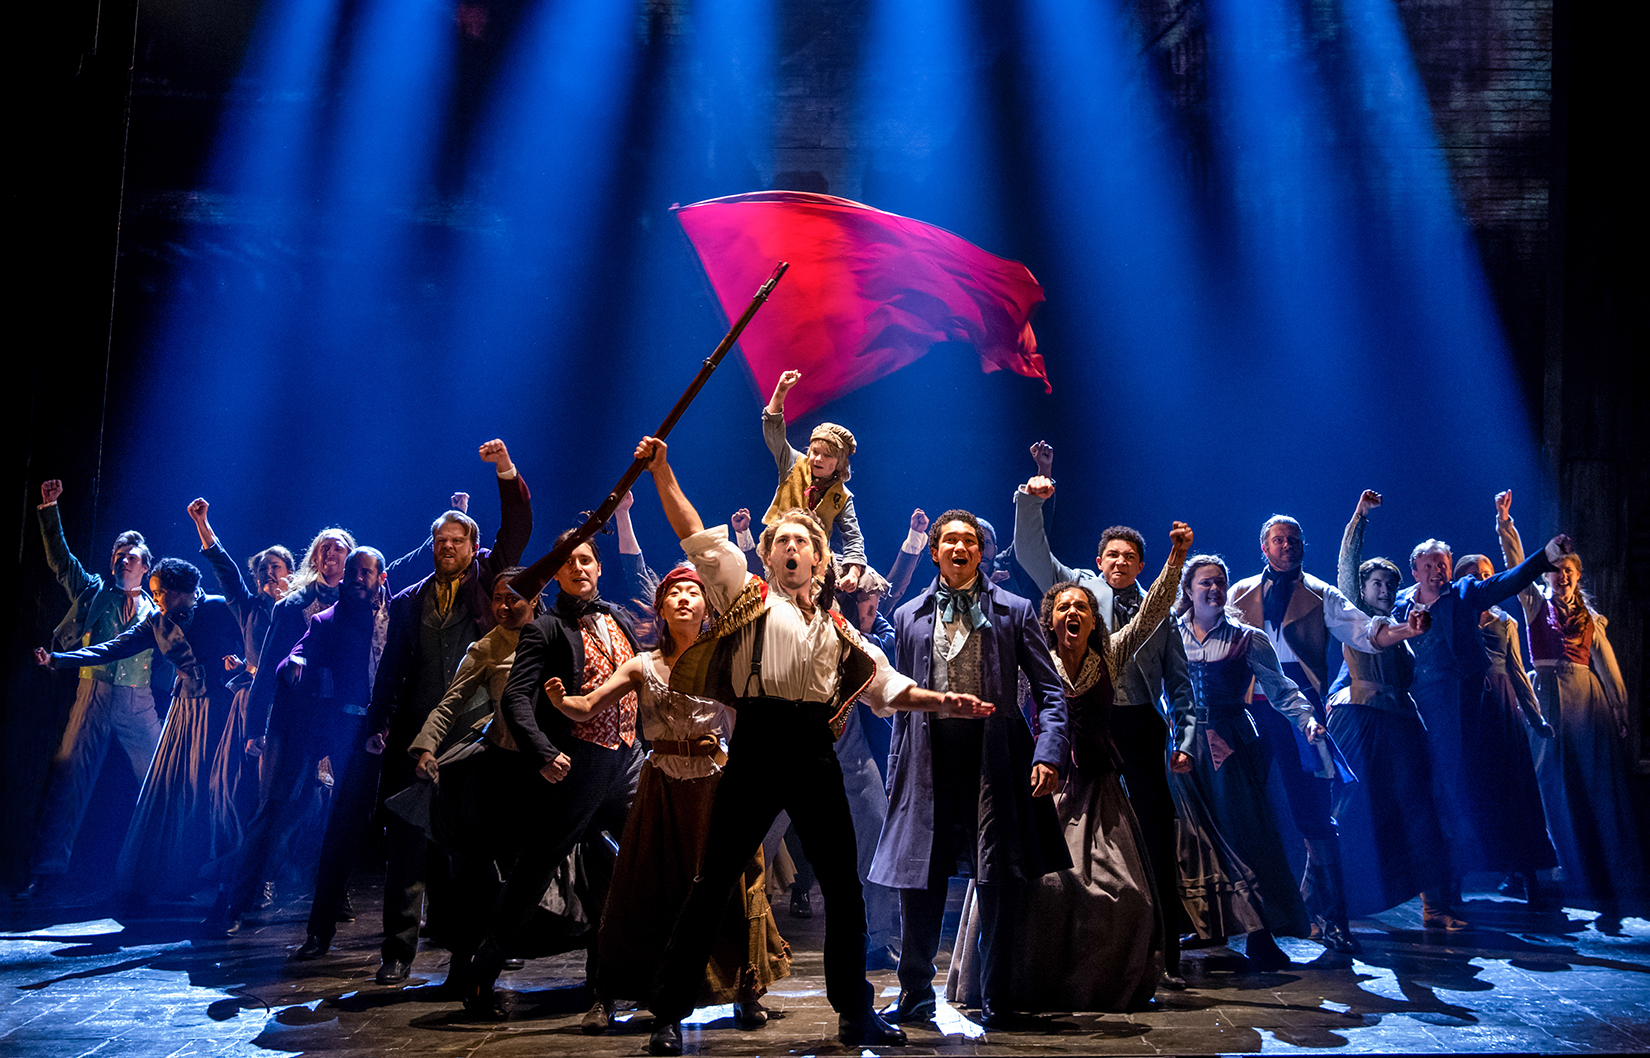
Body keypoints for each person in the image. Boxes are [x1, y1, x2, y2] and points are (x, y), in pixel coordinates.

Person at [639, 435, 991, 1055]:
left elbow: (888, 684)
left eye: (802, 541)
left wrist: (946, 701)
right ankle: (668, 1009)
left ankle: (854, 1012)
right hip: (757, 743)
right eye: (781, 541)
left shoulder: (835, 624)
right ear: (769, 555)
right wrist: (664, 472)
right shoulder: (745, 594)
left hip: (812, 750)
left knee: (843, 885)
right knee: (714, 877)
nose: (791, 547)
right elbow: (694, 533)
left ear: (822, 559)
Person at [952, 520, 1191, 1013]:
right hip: (1047, 788)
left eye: (1082, 606)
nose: (1073, 612)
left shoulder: (1111, 655)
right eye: (1064, 607)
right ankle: (1026, 981)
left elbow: (1150, 614)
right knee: (1041, 889)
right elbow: (1012, 715)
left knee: (1122, 893)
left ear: (1093, 618)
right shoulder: (1033, 665)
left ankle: (1098, 983)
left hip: (1101, 790)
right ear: (1050, 618)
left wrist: (1175, 560)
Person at [546, 566, 791, 1032]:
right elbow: (588, 705)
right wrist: (562, 702)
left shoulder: (725, 661)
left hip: (716, 784)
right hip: (663, 786)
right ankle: (611, 991)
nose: (683, 598)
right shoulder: (642, 665)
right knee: (648, 889)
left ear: (706, 607)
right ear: (660, 609)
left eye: (692, 592)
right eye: (673, 592)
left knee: (731, 887)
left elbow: (754, 722)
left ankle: (745, 987)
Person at [874, 509, 1070, 1029]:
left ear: (980, 552)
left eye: (970, 541)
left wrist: (1048, 752)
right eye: (950, 542)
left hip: (995, 760)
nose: (960, 549)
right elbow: (900, 704)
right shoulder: (911, 616)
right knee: (920, 878)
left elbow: (1051, 693)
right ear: (935, 551)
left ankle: (996, 996)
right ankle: (915, 991)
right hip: (927, 757)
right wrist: (897, 773)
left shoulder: (1015, 610)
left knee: (997, 878)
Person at [1012, 464, 1196, 983]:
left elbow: (1170, 654)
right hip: (1061, 746)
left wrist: (1177, 557)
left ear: (1140, 565)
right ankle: (1045, 955)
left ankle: (1156, 956)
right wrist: (1032, 499)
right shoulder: (1070, 598)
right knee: (1050, 857)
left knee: (1146, 846)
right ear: (1096, 564)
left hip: (1129, 735)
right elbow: (1031, 553)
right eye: (1111, 555)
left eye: (1129, 557)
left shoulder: (1129, 634)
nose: (1119, 562)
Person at [368, 438, 532, 985]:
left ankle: (486, 943)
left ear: (473, 546)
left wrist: (505, 472)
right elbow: (391, 672)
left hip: (478, 732)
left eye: (457, 540)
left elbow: (517, 528)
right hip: (419, 734)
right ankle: (396, 953)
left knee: (480, 848)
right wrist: (378, 724)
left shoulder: (490, 582)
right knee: (408, 847)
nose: (447, 547)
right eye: (441, 540)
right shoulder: (408, 600)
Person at [462, 528, 640, 1022]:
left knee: (630, 867)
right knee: (535, 870)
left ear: (598, 568)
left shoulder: (619, 618)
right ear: (556, 573)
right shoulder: (546, 629)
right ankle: (481, 974)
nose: (579, 568)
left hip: (625, 762)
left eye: (586, 560)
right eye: (568, 562)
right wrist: (542, 751)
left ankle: (604, 979)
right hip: (577, 765)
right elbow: (516, 697)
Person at [1226, 514, 1399, 954]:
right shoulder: (1239, 593)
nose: (1286, 547)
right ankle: (1248, 920)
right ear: (1263, 547)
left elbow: (1363, 631)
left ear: (1303, 547)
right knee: (1244, 810)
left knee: (1315, 812)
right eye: (1278, 540)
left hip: (1303, 713)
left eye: (1293, 540)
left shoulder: (1322, 593)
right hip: (1248, 709)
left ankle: (1334, 917)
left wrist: (1402, 630)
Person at [38, 555, 245, 904]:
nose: (157, 598)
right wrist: (59, 659)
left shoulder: (218, 608)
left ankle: (228, 876)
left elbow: (254, 639)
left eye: (160, 591)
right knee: (176, 791)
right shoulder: (156, 622)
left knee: (217, 789)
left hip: (222, 710)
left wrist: (243, 668)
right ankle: (175, 875)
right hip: (185, 710)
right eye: (155, 592)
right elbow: (112, 648)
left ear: (180, 590)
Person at [213, 547, 390, 945]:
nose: (345, 567)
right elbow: (288, 655)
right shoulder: (308, 610)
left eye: (348, 557)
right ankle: (235, 902)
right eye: (329, 552)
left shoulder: (384, 617)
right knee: (277, 808)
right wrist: (256, 722)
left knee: (344, 816)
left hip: (354, 726)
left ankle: (330, 898)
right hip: (301, 723)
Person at [1394, 523, 1571, 907]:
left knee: (1464, 790)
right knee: (1428, 793)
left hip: (1461, 708)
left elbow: (1506, 582)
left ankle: (1471, 882)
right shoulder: (1401, 604)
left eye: (1442, 564)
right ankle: (1435, 887)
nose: (1436, 571)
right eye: (1428, 566)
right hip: (1419, 707)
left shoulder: (1465, 592)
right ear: (1415, 571)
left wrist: (1544, 558)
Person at [1169, 555, 1319, 971]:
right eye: (1205, 583)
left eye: (1220, 582)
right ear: (1188, 589)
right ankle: (1208, 924)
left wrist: (1306, 720)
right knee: (1192, 837)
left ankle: (1260, 933)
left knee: (1244, 834)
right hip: (1182, 746)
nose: (1214, 589)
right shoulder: (1169, 635)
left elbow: (1279, 688)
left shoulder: (1247, 638)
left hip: (1231, 745)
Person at [1497, 496, 1645, 915]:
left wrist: (1619, 707)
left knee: (1588, 779)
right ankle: (1545, 866)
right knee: (1546, 778)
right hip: (1544, 691)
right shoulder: (1534, 602)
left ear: (1578, 576)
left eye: (1568, 571)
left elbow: (1608, 664)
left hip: (1585, 697)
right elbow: (1517, 565)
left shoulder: (1590, 618)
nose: (1561, 576)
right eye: (1557, 570)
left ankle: (1597, 866)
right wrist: (1505, 523)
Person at [16, 480, 161, 900]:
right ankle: (45, 872)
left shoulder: (157, 605)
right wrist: (49, 509)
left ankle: (158, 871)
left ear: (145, 566)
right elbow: (61, 561)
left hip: (139, 700)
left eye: (129, 557)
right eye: (116, 555)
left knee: (159, 780)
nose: (120, 561)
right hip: (92, 694)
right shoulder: (94, 590)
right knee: (69, 779)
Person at [1327, 490, 1464, 928]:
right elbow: (1346, 567)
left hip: (1402, 723)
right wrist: (1359, 518)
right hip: (1360, 719)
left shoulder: (1404, 626)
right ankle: (1325, 904)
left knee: (1419, 807)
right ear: (1363, 591)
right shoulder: (1355, 620)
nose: (1384, 590)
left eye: (1389, 584)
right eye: (1376, 585)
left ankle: (1434, 905)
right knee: (1345, 809)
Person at [186, 498, 292, 873]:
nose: (267, 573)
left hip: (289, 702)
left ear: (291, 574)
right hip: (250, 704)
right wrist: (203, 524)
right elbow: (225, 569)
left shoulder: (302, 608)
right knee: (230, 785)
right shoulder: (248, 607)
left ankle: (269, 870)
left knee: (282, 789)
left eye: (275, 567)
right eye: (262, 569)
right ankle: (234, 863)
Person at [761, 369, 866, 592]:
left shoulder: (842, 497)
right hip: (776, 561)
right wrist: (781, 391)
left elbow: (853, 536)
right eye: (814, 451)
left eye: (826, 455)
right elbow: (773, 432)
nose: (817, 459)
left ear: (838, 463)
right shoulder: (792, 464)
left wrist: (854, 573)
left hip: (812, 570)